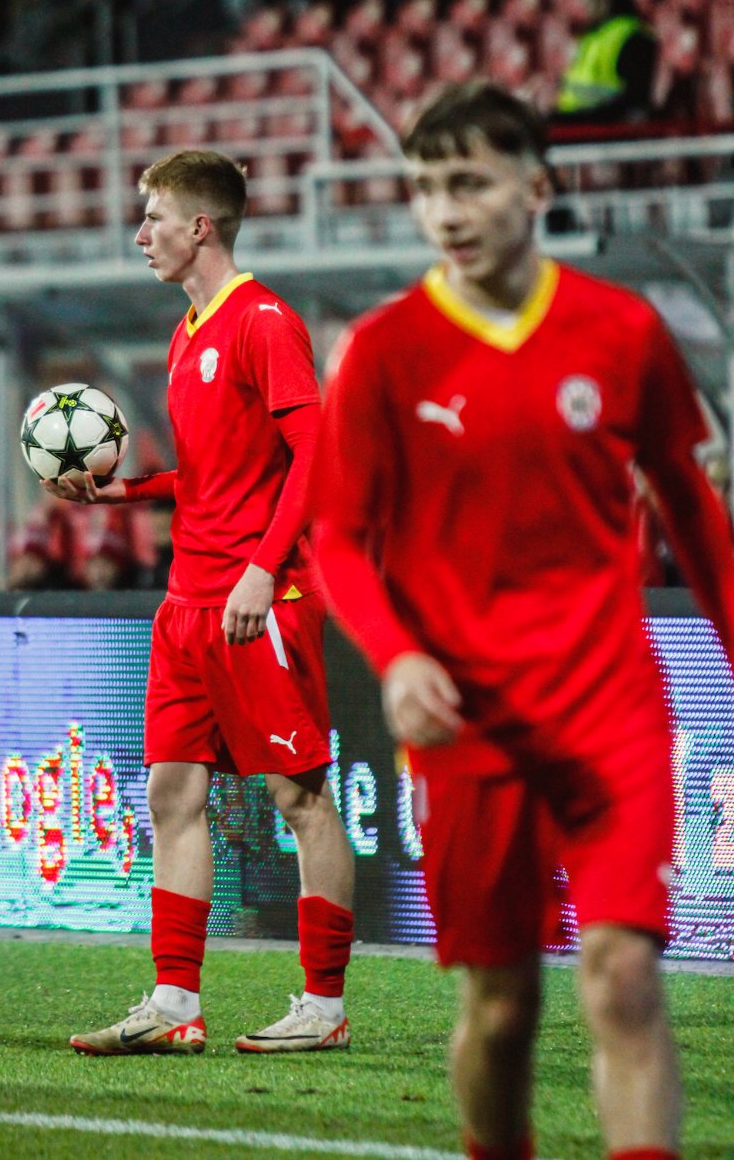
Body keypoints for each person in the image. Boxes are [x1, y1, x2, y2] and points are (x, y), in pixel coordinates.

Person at [310, 82, 734, 1160]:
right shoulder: (383, 350)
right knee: (501, 1011)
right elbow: (338, 540)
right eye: (424, 187)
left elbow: (693, 511)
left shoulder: (622, 331)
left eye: (469, 182)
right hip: (469, 728)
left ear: (538, 187)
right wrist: (397, 658)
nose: (444, 210)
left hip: (608, 713)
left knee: (624, 977)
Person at [46, 148, 355, 1056]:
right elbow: (215, 475)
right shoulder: (189, 333)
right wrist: (128, 493)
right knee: (170, 792)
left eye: (153, 218)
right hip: (186, 604)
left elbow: (316, 455)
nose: (140, 235)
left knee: (301, 797)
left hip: (258, 599)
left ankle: (324, 1007)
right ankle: (175, 1002)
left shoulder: (264, 322)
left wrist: (263, 567)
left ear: (200, 226)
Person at [554, 0, 658, 125]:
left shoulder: (630, 36)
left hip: (603, 129)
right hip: (573, 127)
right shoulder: (590, 36)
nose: (567, 6)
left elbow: (633, 100)